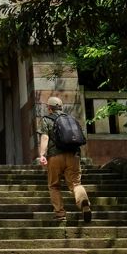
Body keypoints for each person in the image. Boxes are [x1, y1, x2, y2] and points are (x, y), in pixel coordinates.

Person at [39, 95, 92, 224]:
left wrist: (42, 154)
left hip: (55, 156)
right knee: (76, 184)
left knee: (54, 186)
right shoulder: (71, 119)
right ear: (61, 107)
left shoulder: (47, 119)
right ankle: (83, 202)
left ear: (49, 108)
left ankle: (60, 214)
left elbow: (45, 137)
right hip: (73, 156)